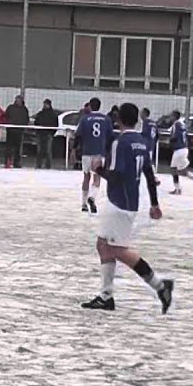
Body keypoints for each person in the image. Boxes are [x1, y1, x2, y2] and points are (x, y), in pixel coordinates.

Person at [80, 102, 173, 314]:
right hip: (130, 201)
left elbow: (116, 176)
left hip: (118, 202)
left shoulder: (120, 142)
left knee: (116, 249)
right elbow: (150, 176)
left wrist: (99, 169)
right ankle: (106, 296)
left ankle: (160, 286)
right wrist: (154, 203)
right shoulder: (141, 142)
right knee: (103, 244)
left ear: (119, 120)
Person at [76, 98, 113, 214]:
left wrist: (73, 149)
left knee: (86, 177)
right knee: (97, 177)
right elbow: (110, 136)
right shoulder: (106, 119)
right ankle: (92, 197)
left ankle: (83, 204)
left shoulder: (85, 119)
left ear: (90, 106)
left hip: (87, 152)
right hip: (99, 152)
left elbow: (78, 135)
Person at [167, 111, 193, 194]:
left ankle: (178, 189)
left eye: (171, 116)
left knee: (175, 170)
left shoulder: (176, 125)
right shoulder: (182, 124)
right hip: (184, 149)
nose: (170, 117)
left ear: (174, 116)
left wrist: (169, 141)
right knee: (179, 170)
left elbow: (175, 137)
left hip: (179, 150)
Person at [3, 95, 30, 168]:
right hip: (10, 130)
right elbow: (5, 116)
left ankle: (17, 163)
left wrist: (23, 127)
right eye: (16, 99)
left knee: (18, 148)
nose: (17, 101)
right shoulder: (10, 107)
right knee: (9, 147)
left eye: (19, 99)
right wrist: (8, 124)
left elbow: (26, 119)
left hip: (19, 131)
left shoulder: (24, 109)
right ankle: (8, 162)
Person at [33, 99, 59, 169]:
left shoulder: (53, 115)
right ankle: (38, 165)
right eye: (44, 104)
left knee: (48, 151)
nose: (45, 105)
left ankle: (48, 165)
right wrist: (37, 131)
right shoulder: (40, 114)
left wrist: (51, 133)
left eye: (46, 104)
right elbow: (36, 123)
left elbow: (56, 125)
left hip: (48, 135)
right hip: (40, 134)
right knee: (39, 151)